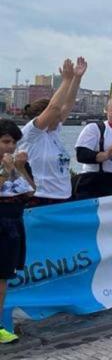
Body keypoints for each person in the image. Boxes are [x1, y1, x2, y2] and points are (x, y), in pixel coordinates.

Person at [18, 57, 86, 206]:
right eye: (56, 116)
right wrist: (66, 81)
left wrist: (76, 79)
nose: (60, 117)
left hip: (63, 197)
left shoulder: (52, 132)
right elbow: (54, 108)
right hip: (41, 198)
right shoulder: (32, 134)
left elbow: (67, 104)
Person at [0, 120, 34, 344]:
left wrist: (19, 170)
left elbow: (31, 191)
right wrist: (6, 171)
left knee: (2, 277)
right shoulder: (6, 166)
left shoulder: (18, 164)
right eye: (5, 141)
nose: (10, 147)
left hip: (13, 224)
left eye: (13, 142)